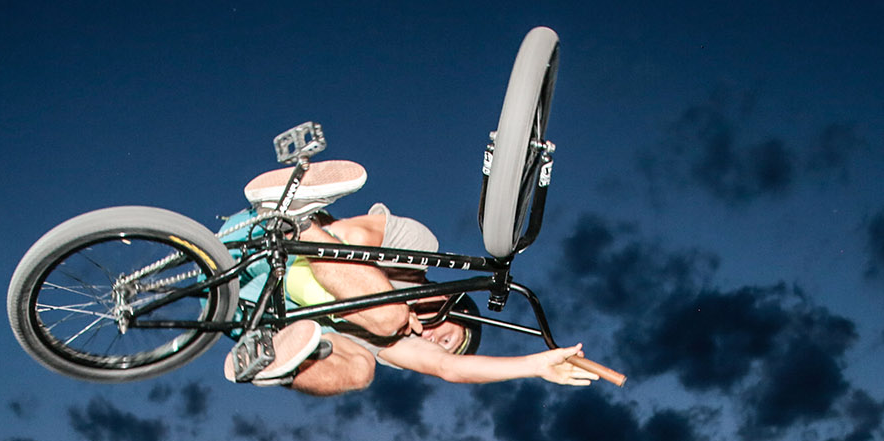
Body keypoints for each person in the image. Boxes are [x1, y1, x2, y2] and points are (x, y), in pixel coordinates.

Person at [218, 163, 601, 396]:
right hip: (262, 239)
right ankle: (294, 219)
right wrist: (392, 300)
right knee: (390, 316)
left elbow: (449, 369)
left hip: (247, 311)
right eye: (448, 337)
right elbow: (350, 235)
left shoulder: (394, 343)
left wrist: (535, 366)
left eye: (442, 347)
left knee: (362, 369)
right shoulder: (416, 247)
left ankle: (273, 363)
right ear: (453, 306)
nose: (435, 342)